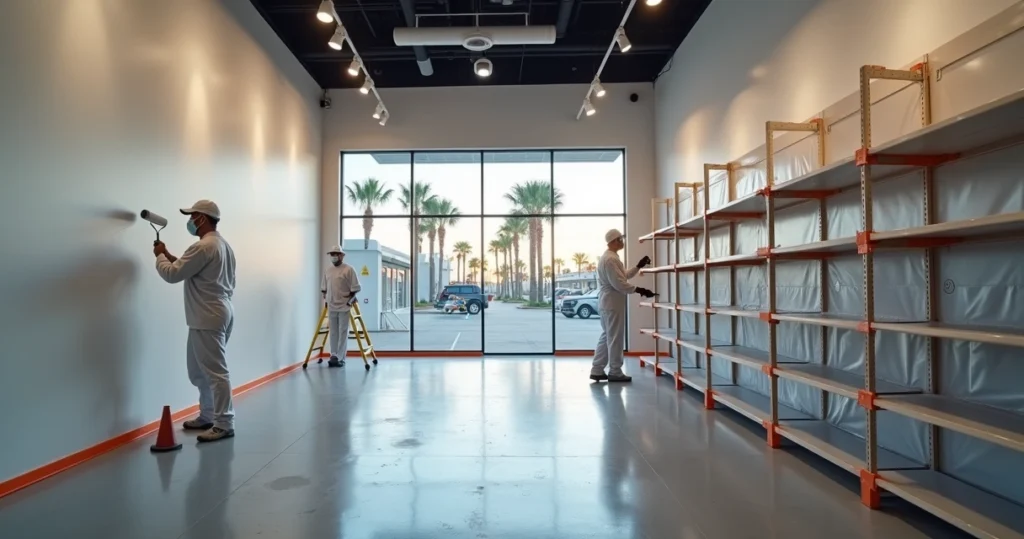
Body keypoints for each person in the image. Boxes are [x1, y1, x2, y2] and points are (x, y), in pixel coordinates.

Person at [153, 200, 236, 442]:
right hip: (215, 313)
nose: (190, 220)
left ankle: (224, 422)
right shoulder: (221, 245)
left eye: (193, 216)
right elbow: (189, 268)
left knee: (215, 371)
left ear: (203, 218)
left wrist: (159, 257)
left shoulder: (202, 246)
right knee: (198, 371)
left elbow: (172, 274)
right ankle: (208, 415)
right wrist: (168, 255)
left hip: (207, 316)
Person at [590, 228, 654, 383]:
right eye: (619, 239)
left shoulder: (611, 258)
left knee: (607, 336)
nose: (622, 242)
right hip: (612, 303)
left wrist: (638, 266)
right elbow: (619, 283)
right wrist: (639, 289)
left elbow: (622, 276)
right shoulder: (610, 259)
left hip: (609, 303)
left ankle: (597, 369)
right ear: (612, 242)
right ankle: (615, 372)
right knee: (615, 338)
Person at [321, 245, 361, 367]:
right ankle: (333, 354)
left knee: (343, 331)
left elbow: (356, 287)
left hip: (344, 305)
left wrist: (350, 299)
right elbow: (324, 288)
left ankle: (340, 357)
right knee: (333, 331)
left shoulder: (349, 269)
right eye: (331, 254)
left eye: (336, 254)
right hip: (332, 305)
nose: (333, 257)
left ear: (341, 256)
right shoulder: (328, 270)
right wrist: (326, 298)